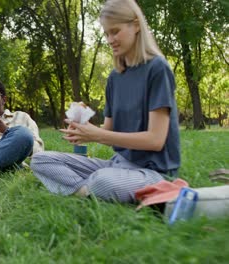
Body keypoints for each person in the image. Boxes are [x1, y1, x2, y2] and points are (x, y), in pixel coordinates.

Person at [30, 0, 180, 203]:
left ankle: (90, 189)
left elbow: (155, 140)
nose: (110, 39)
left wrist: (98, 135)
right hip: (117, 165)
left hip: (154, 173)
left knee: (102, 181)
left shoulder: (157, 69)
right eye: (106, 33)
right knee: (40, 160)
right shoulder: (115, 77)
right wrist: (85, 130)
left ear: (136, 25)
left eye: (115, 31)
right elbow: (108, 130)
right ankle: (89, 191)